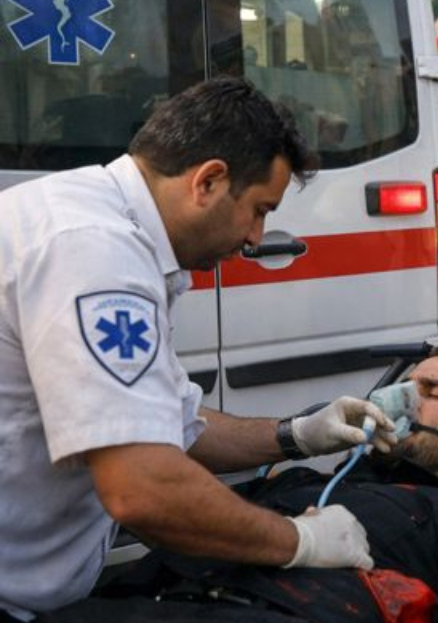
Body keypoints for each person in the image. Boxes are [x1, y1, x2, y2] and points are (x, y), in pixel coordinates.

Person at [0, 78, 400, 621]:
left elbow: (170, 425)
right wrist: (298, 540)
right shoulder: (95, 253)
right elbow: (142, 487)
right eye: (260, 209)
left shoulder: (94, 221)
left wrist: (297, 434)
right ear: (208, 181)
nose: (258, 237)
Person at [43, 344, 438, 623]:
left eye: (432, 392)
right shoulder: (300, 481)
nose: (400, 399)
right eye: (402, 385)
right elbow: (175, 517)